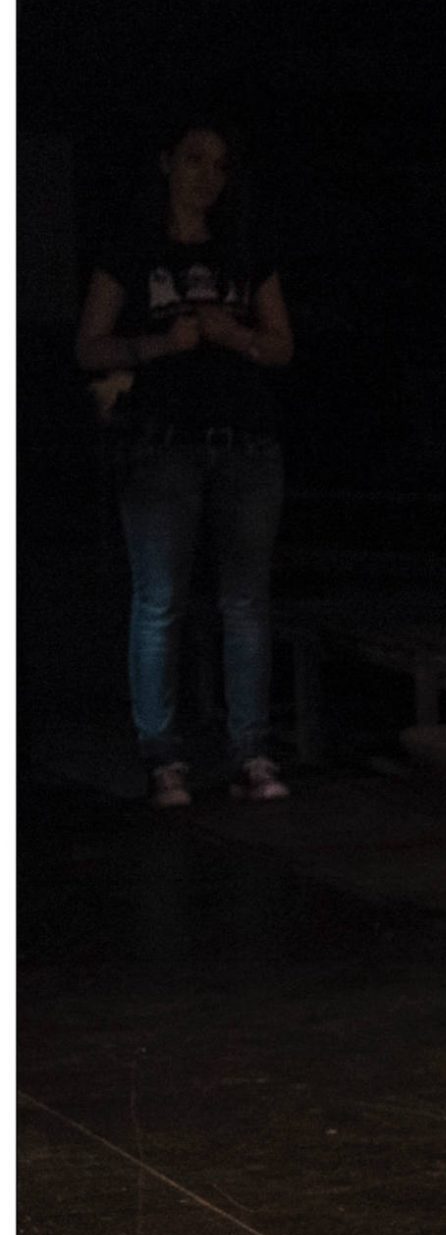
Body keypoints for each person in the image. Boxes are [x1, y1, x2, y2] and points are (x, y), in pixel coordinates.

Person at [75, 119, 296, 807]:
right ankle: (163, 757)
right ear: (167, 162)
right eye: (196, 160)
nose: (208, 177)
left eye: (220, 165)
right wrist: (159, 346)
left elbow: (282, 344)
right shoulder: (133, 249)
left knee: (245, 602)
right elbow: (89, 346)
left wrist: (235, 336)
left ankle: (250, 750)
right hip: (163, 443)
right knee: (160, 600)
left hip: (245, 441)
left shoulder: (244, 249)